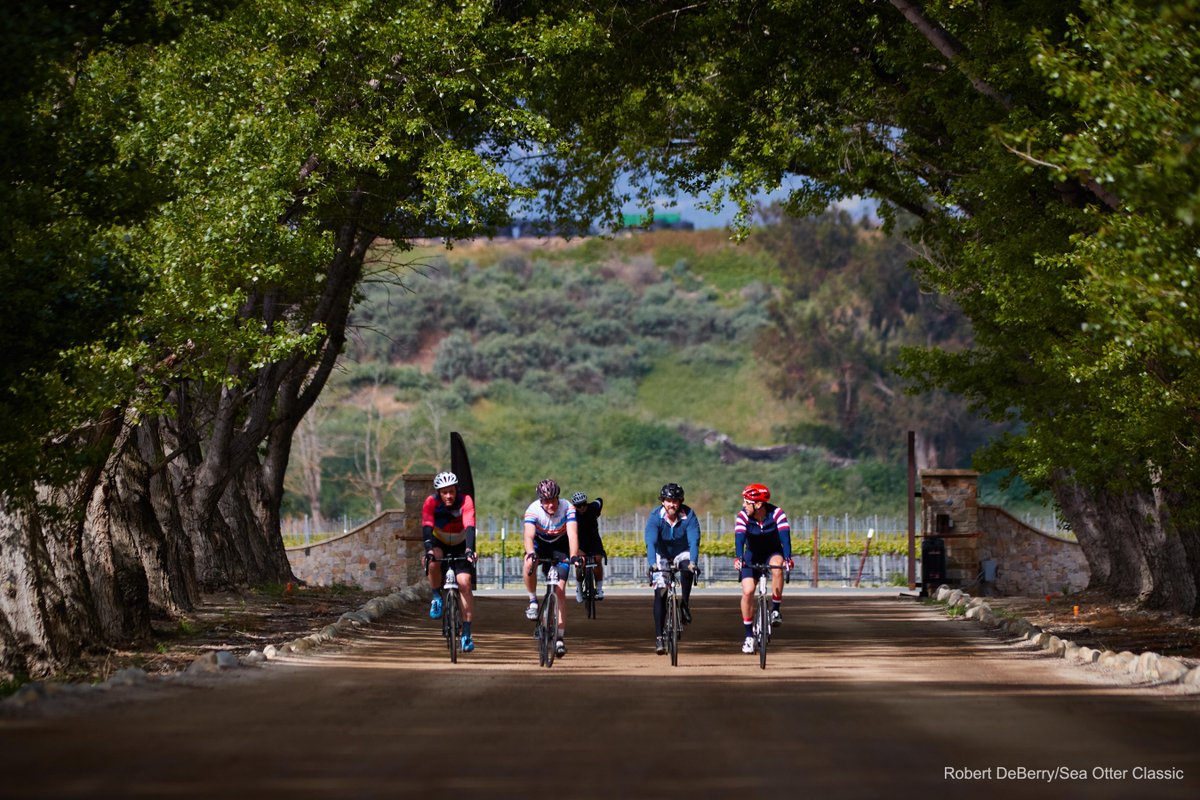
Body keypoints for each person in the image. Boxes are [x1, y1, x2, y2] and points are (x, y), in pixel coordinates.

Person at [523, 478, 581, 659]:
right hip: (540, 545)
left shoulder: (568, 507)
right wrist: (531, 553)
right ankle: (533, 601)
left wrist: (573, 556)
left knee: (560, 591)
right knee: (528, 562)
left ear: (558, 498)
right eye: (546, 501)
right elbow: (528, 536)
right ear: (540, 501)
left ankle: (560, 638)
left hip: (560, 547)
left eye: (553, 500)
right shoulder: (532, 510)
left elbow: (572, 534)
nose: (550, 505)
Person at [422, 471, 479, 652]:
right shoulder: (431, 502)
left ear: (456, 490)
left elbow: (469, 525)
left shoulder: (465, 501)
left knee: (465, 583)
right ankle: (436, 597)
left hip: (461, 544)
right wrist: (428, 550)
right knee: (432, 560)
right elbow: (427, 527)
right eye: (444, 492)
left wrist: (469, 549)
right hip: (440, 542)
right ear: (438, 492)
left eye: (451, 491)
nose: (448, 495)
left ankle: (467, 633)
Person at [733, 482, 792, 655]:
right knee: (748, 591)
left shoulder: (777, 514)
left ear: (758, 504)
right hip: (752, 555)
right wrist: (739, 558)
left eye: (747, 502)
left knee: (778, 567)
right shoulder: (743, 516)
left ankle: (775, 610)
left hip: (772, 552)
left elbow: (785, 538)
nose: (743, 505)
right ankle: (748, 636)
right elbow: (739, 539)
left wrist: (788, 558)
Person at [644, 482, 701, 655]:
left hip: (681, 552)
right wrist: (652, 564)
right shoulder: (655, 517)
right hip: (661, 554)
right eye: (668, 501)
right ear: (662, 501)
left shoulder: (689, 516)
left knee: (688, 568)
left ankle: (685, 603)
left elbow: (694, 541)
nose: (672, 504)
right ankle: (659, 637)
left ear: (680, 502)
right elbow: (651, 542)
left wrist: (693, 562)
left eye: (675, 501)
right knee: (660, 592)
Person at [571, 491, 606, 603]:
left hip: (593, 539)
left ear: (587, 503)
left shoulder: (593, 507)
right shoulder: (571, 514)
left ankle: (599, 589)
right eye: (578, 506)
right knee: (580, 563)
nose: (582, 507)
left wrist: (597, 511)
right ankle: (579, 589)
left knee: (598, 560)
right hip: (579, 541)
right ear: (574, 506)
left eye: (584, 504)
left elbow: (600, 500)